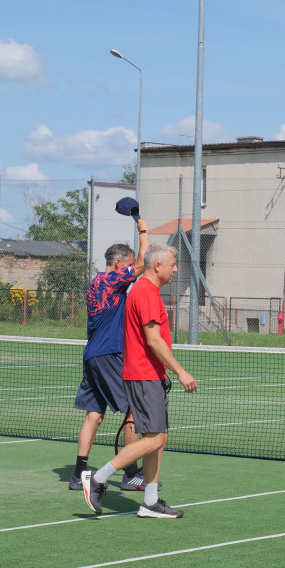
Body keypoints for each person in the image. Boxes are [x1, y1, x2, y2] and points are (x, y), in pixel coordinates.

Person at [82, 244, 197, 518]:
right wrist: (181, 371)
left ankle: (151, 502)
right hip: (144, 375)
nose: (176, 268)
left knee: (158, 437)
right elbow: (153, 339)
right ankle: (98, 478)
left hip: (151, 375)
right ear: (157, 266)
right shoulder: (145, 292)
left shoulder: (147, 291)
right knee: (154, 438)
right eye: (173, 263)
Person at [69, 209, 153, 491]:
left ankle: (78, 475)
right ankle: (131, 474)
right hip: (108, 355)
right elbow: (143, 264)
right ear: (117, 264)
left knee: (94, 414)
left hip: (92, 355)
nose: (130, 271)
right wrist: (142, 230)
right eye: (126, 266)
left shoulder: (95, 282)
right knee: (133, 410)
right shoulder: (110, 280)